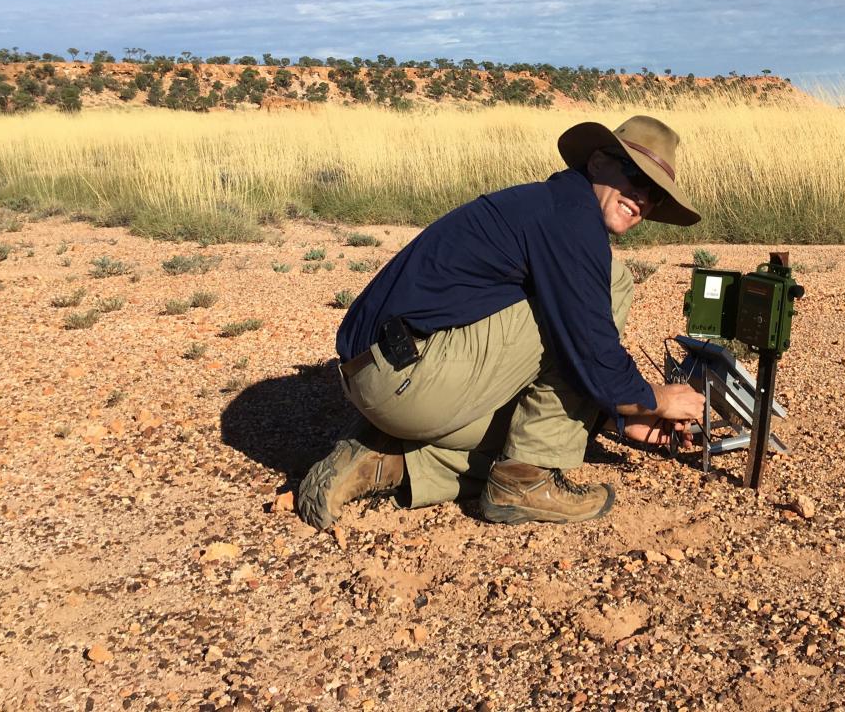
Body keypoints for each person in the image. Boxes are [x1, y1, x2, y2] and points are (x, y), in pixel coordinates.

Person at [297, 114, 708, 530]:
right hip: (410, 378)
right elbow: (591, 354)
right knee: (606, 292)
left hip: (377, 375)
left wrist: (616, 418)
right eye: (634, 175)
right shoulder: (571, 220)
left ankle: (387, 462)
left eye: (654, 194)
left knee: (526, 431)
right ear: (598, 162)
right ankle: (524, 483)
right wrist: (657, 399)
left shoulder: (547, 205)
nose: (641, 197)